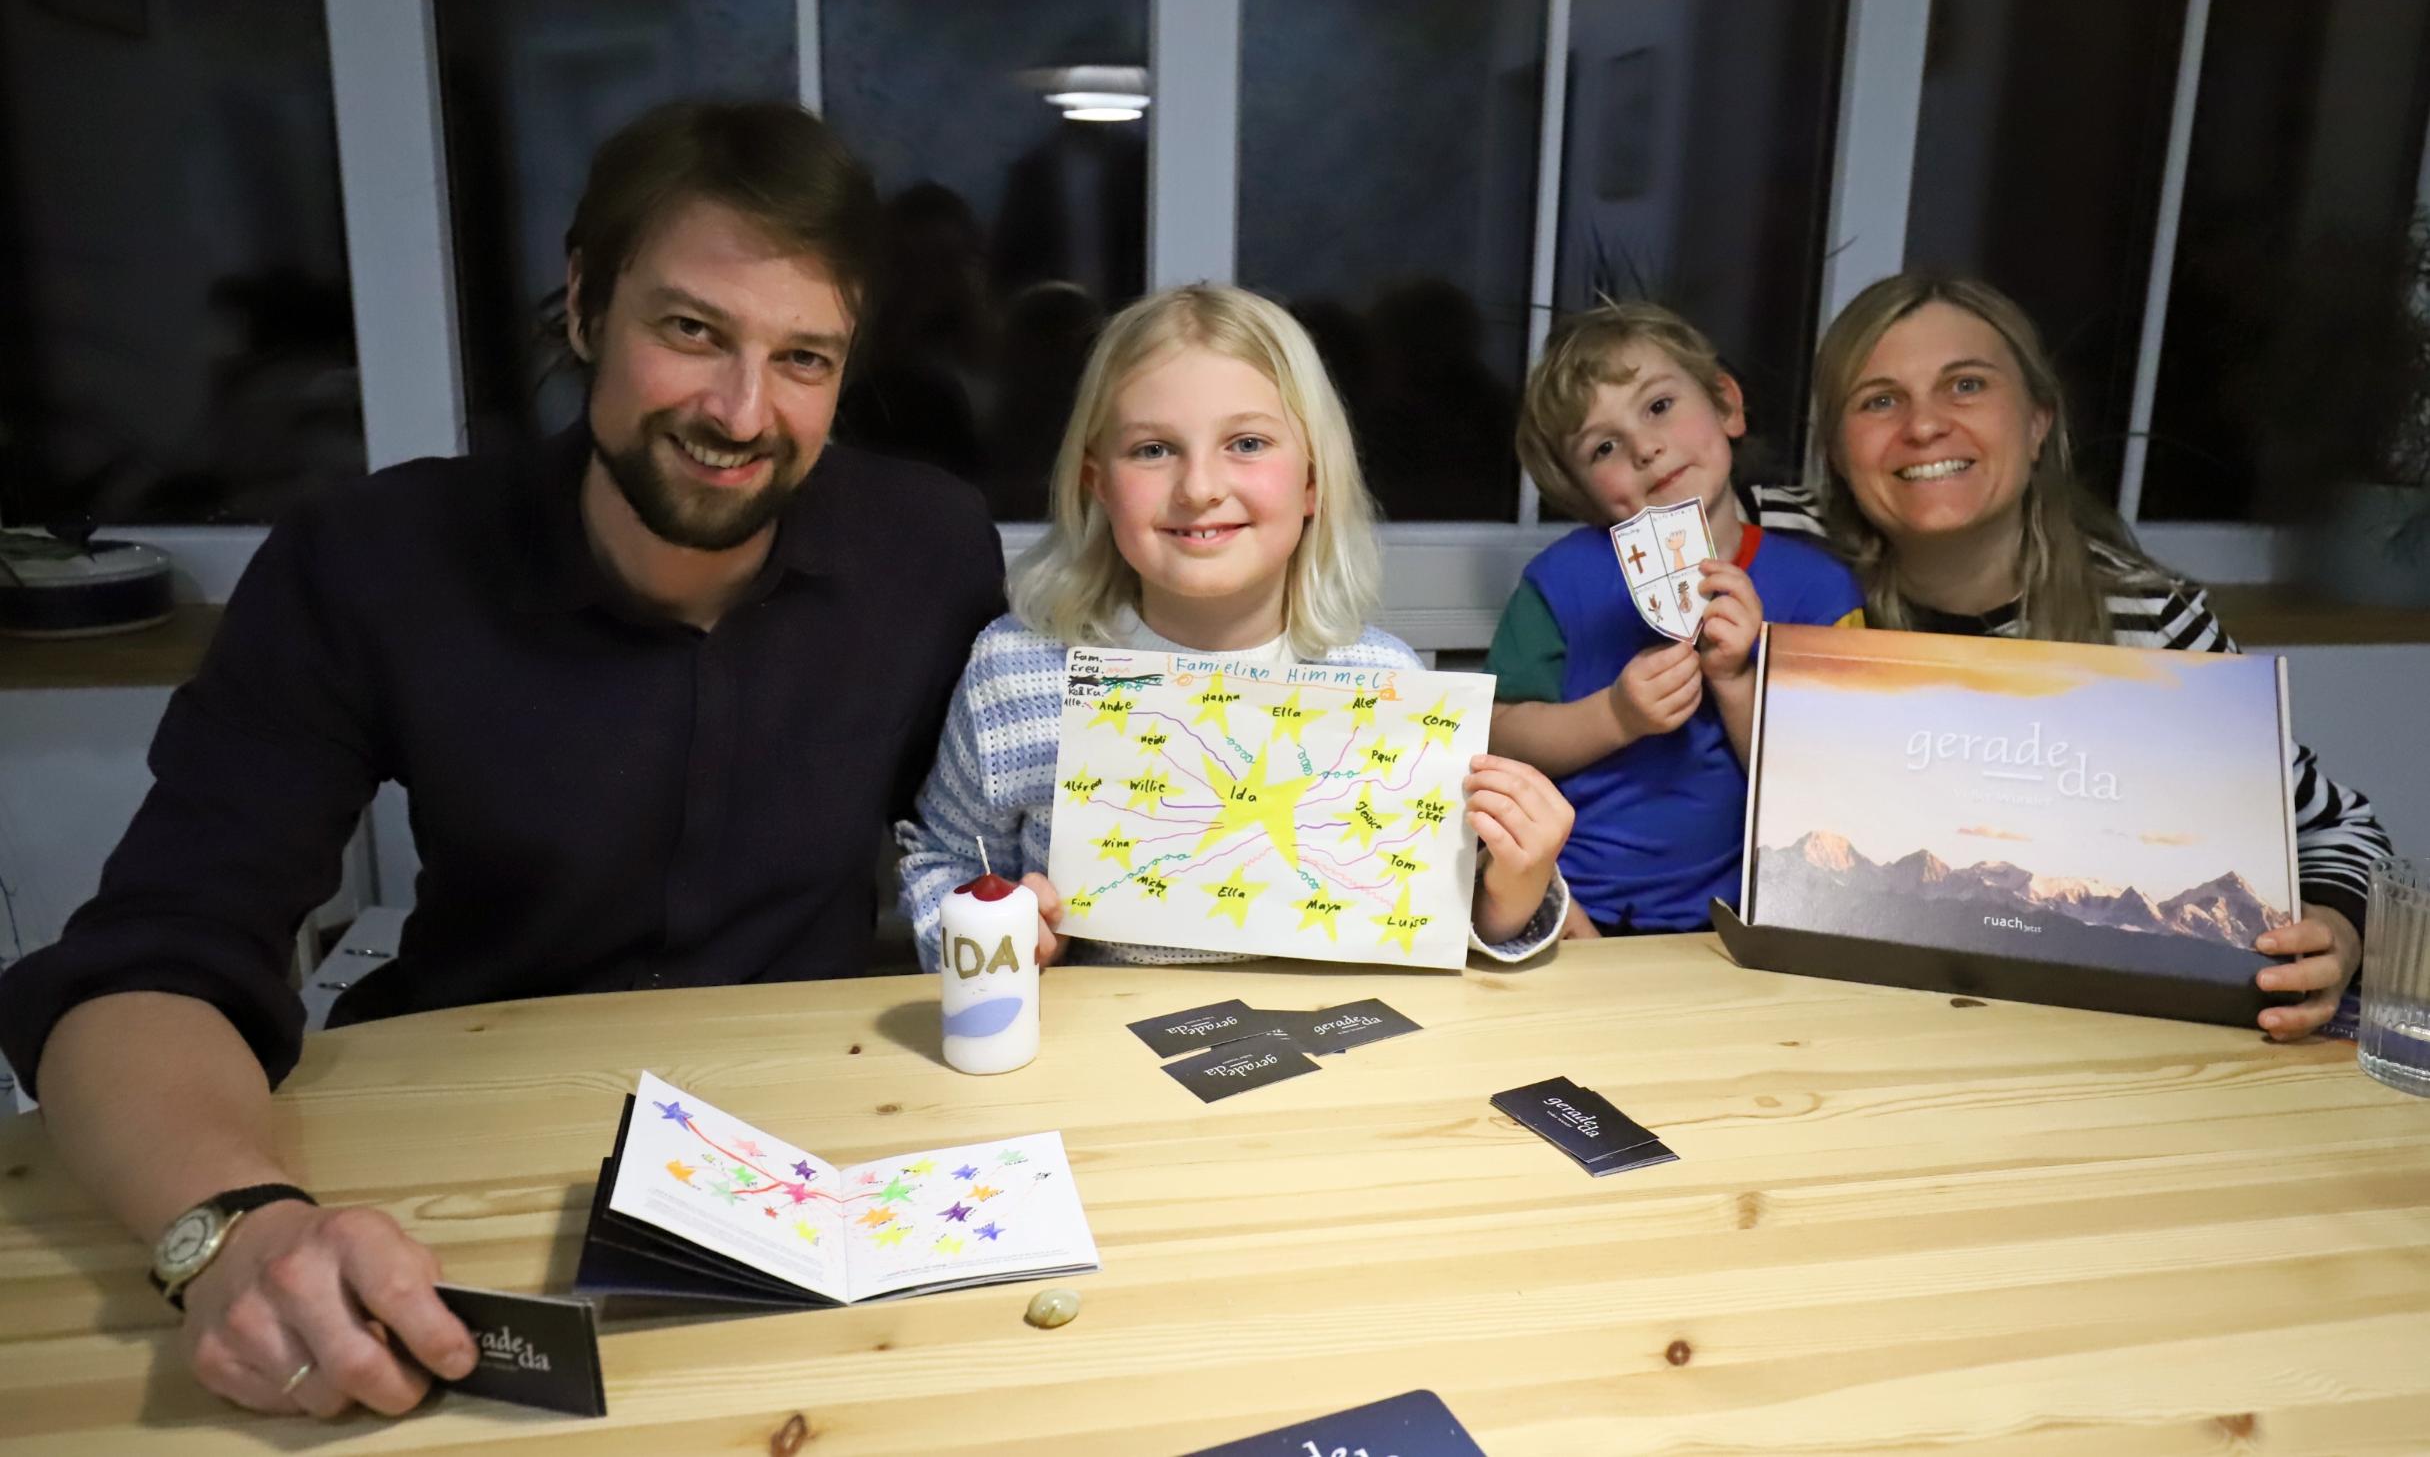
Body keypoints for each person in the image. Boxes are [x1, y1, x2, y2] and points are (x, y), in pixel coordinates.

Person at [0, 102, 1003, 1418]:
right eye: (690, 330)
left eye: (802, 358)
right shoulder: (375, 560)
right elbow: (151, 958)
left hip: (811, 1155)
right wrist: (236, 1232)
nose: (741, 410)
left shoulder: (930, 552)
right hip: (444, 1165)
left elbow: (983, 855)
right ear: (585, 304)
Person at [1755, 271, 2392, 1038]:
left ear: (2037, 423)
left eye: (1966, 385)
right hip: (1802, 1016)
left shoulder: (2153, 623)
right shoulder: (1762, 559)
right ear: (1835, 450)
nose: (1923, 426)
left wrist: (2337, 931)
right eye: (1879, 400)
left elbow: (2337, 829)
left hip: (2061, 1036)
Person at [895, 284, 1575, 968]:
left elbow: (1431, 919)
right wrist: (997, 934)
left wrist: (1513, 889)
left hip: (1340, 1028)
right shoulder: (1016, 678)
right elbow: (943, 858)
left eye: (1246, 443)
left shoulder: (1384, 684)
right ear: (1097, 483)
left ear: (1312, 481)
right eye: (1153, 449)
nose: (1199, 488)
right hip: (1089, 1033)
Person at [1488, 302, 1863, 937]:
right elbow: (1495, 738)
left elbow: (1835, 791)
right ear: (1581, 490)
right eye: (1604, 446)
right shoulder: (1561, 581)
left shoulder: (1820, 590)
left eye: (1659, 406)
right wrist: (1615, 716)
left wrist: (1738, 682)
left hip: (1739, 925)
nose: (1645, 448)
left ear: (1727, 406)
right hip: (1567, 905)